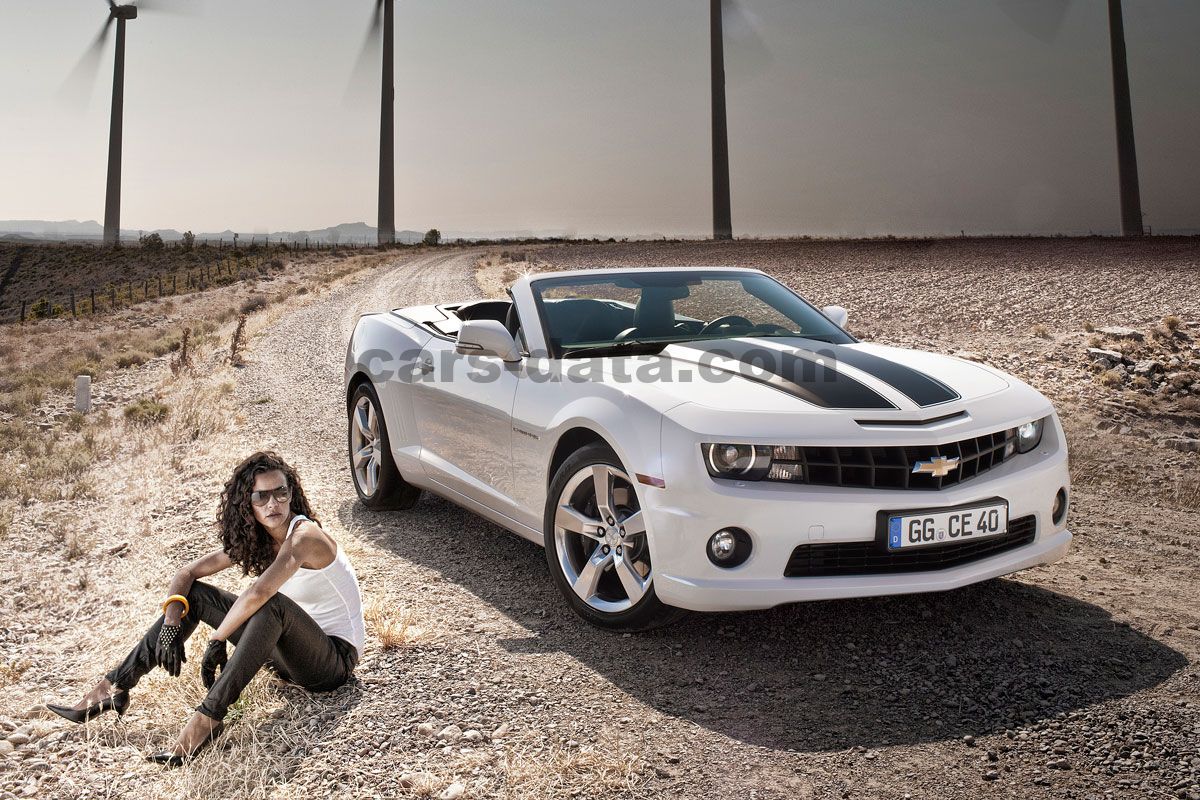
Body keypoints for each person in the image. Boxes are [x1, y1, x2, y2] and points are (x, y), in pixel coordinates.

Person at [46, 451, 365, 767]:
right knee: (194, 596)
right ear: (247, 503)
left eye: (280, 493)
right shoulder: (261, 540)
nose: (273, 504)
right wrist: (172, 622)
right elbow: (187, 573)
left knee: (272, 606)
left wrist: (218, 640)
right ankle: (114, 686)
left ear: (291, 494)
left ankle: (206, 720)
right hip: (286, 657)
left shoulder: (304, 535)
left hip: (332, 663)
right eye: (261, 496)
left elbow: (261, 591)